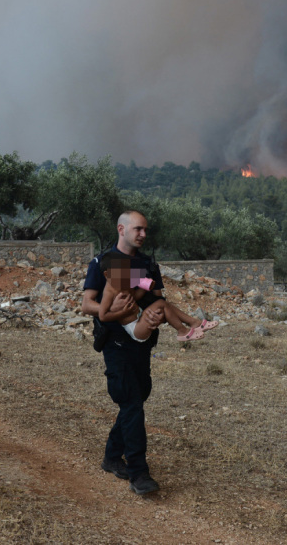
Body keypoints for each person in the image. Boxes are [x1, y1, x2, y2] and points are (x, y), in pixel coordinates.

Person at [82, 210, 166, 495]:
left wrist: (155, 316)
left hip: (142, 342)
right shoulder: (103, 263)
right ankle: (139, 473)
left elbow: (158, 299)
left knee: (138, 398)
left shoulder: (148, 265)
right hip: (116, 344)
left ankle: (111, 457)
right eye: (138, 229)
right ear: (121, 229)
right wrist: (112, 310)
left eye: (145, 230)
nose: (143, 234)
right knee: (131, 403)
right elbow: (87, 304)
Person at [97, 251, 217, 342]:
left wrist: (146, 287)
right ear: (107, 275)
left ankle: (194, 322)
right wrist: (123, 312)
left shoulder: (124, 283)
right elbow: (102, 316)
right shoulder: (109, 291)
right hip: (135, 328)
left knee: (165, 305)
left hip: (141, 316)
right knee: (161, 304)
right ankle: (182, 331)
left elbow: (135, 297)